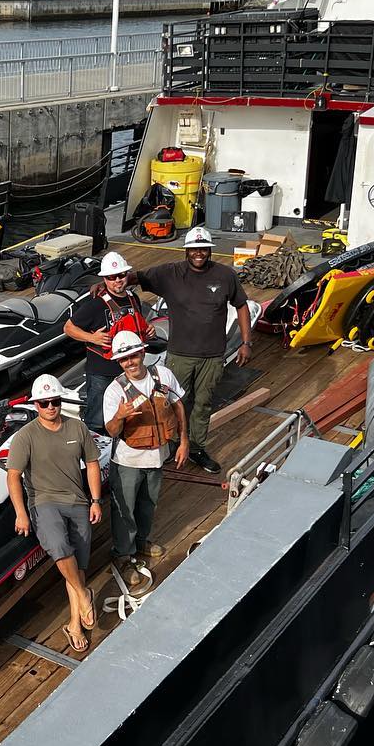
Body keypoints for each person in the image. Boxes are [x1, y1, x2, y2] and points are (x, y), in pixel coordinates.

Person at [132, 226, 251, 474]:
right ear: (186, 250)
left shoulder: (226, 275)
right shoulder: (169, 273)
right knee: (174, 402)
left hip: (212, 356)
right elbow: (137, 277)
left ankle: (196, 448)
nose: (198, 253)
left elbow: (241, 307)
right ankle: (171, 444)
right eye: (194, 249)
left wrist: (246, 343)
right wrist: (109, 283)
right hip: (179, 355)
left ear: (209, 250)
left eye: (203, 249)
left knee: (204, 404)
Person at [7, 374, 103, 652]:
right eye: (44, 403)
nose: (50, 406)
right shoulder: (25, 436)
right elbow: (13, 477)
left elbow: (93, 463)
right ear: (36, 406)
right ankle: (85, 597)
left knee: (78, 563)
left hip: (77, 500)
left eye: (55, 401)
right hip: (43, 502)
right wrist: (21, 513)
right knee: (61, 548)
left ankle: (75, 622)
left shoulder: (77, 428)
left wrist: (95, 500)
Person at [102, 331, 186, 587]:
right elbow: (112, 431)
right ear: (119, 362)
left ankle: (141, 543)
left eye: (134, 356)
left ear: (142, 353)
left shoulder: (163, 375)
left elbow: (178, 405)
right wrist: (121, 415)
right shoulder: (114, 391)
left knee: (148, 504)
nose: (130, 362)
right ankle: (123, 556)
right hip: (128, 461)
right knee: (124, 510)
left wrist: (184, 441)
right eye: (124, 359)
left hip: (158, 457)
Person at [63, 251, 152, 433]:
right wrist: (91, 337)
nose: (117, 280)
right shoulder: (95, 304)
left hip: (129, 370)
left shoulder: (133, 299)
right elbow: (68, 328)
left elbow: (136, 323)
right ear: (105, 279)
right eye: (112, 277)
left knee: (127, 412)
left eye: (121, 275)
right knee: (96, 418)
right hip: (101, 373)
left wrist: (147, 330)